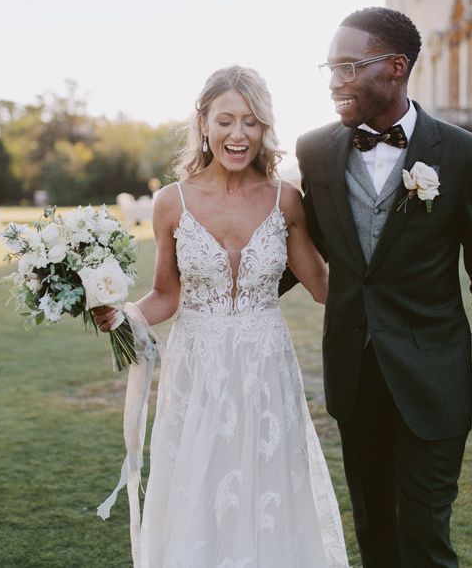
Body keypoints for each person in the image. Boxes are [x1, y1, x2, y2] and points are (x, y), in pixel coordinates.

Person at [279, 7, 472, 567]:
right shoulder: (315, 150)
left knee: (424, 538)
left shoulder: (466, 156)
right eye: (330, 68)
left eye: (348, 66)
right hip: (354, 373)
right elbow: (301, 253)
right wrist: (221, 294)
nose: (336, 81)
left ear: (395, 67)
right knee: (374, 536)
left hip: (431, 380)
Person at [92, 65, 349, 567]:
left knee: (267, 488)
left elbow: (323, 288)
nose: (239, 134)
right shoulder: (172, 202)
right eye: (226, 120)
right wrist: (122, 316)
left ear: (265, 128)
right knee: (201, 489)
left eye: (251, 122)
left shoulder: (285, 199)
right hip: (198, 371)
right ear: (203, 123)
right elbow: (165, 295)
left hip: (265, 369)